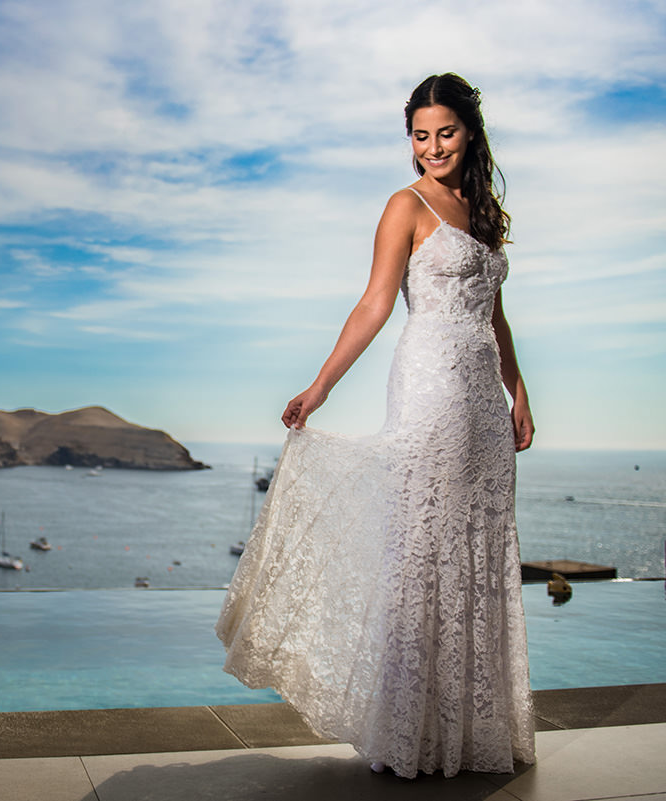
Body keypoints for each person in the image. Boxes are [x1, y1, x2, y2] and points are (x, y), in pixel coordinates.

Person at [215, 74, 537, 779]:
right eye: (419, 135)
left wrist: (519, 392)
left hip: (483, 402)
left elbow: (496, 316)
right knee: (423, 549)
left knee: (478, 552)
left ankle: (473, 732)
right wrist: (319, 386)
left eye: (444, 132)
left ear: (470, 133)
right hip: (431, 390)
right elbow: (372, 305)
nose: (431, 147)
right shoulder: (407, 204)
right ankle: (413, 734)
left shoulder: (483, 211)